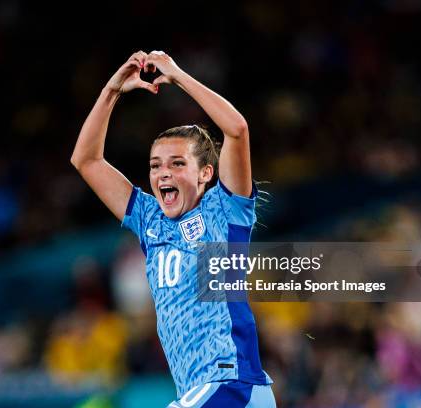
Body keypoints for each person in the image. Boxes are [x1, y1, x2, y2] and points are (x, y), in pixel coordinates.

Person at [71, 50, 276, 407]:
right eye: (155, 165)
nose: (163, 173)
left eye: (177, 163)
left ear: (205, 173)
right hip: (199, 393)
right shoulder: (149, 220)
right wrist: (112, 91)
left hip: (232, 384)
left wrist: (178, 76)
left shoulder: (225, 210)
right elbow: (86, 160)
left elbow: (237, 130)